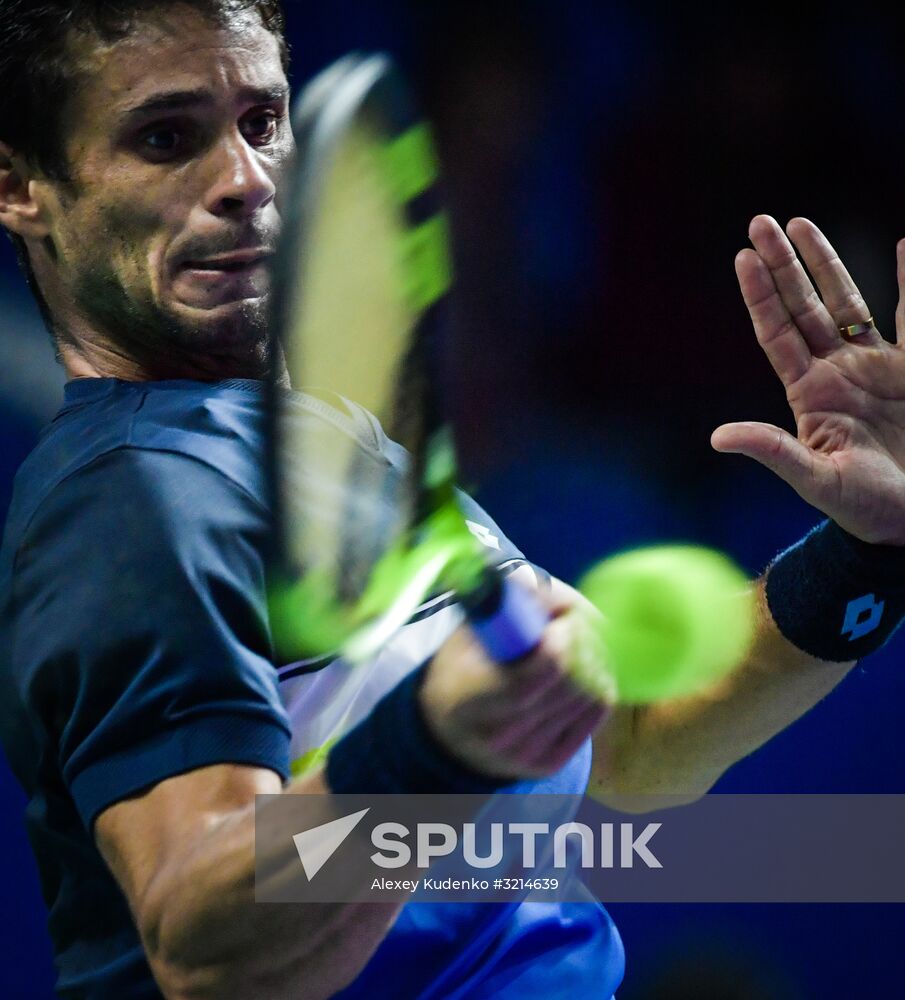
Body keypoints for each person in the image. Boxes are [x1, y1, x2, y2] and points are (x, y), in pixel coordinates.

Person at [0, 2, 903, 998]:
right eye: (165, 138)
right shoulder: (133, 497)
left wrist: (865, 549)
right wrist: (426, 748)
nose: (243, 181)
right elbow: (202, 945)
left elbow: (631, 743)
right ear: (22, 187)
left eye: (261, 122)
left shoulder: (330, 438)